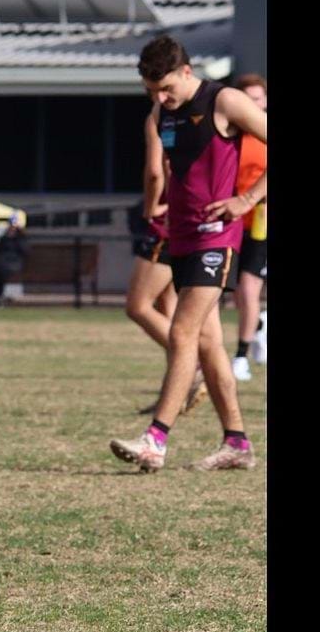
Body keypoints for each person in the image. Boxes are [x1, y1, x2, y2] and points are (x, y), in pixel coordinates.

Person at [109, 36, 267, 472]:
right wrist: (159, 204)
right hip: (180, 236)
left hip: (216, 239)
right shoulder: (163, 111)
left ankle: (155, 439)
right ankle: (237, 442)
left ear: (186, 71)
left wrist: (247, 199)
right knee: (210, 343)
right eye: (150, 92)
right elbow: (166, 171)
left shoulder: (225, 100)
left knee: (181, 333)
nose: (160, 99)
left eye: (165, 89)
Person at [126, 116, 208, 415]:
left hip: (165, 224)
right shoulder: (195, 115)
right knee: (166, 304)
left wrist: (150, 208)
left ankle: (194, 364)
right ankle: (175, 388)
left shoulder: (160, 117)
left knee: (137, 306)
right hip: (185, 217)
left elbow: (155, 171)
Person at [231, 73, 268, 381]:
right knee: (236, 294)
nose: (253, 105)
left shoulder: (264, 134)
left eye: (258, 98)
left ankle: (240, 356)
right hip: (231, 221)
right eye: (248, 100)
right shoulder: (230, 133)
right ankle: (257, 326)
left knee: (248, 287)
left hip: (260, 219)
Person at [0, 213, 28, 306]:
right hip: (2, 263)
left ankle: (1, 297)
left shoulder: (21, 238)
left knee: (1, 271)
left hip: (14, 263)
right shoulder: (4, 237)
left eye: (14, 225)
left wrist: (14, 239)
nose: (12, 228)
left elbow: (24, 251)